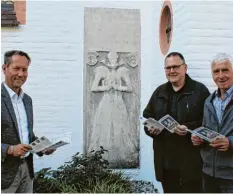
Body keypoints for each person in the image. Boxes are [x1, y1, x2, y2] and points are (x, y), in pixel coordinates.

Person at [143, 52, 210, 193]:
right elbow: (147, 117)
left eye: (175, 67)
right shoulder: (159, 92)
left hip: (192, 164)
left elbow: (209, 122)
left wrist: (190, 128)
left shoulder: (200, 91)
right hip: (165, 165)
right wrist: (150, 130)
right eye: (168, 68)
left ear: (185, 68)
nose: (171, 71)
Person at [1, 50, 55, 193]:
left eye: (24, 69)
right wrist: (10, 149)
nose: (21, 74)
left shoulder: (27, 100)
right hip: (3, 176)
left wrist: (42, 147)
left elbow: (26, 135)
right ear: (4, 68)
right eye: (16, 68)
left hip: (26, 170)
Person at [191, 53, 233, 193]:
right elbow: (207, 130)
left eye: (225, 70)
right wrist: (199, 138)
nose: (221, 76)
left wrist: (230, 142)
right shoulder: (209, 101)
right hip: (209, 173)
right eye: (216, 71)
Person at [88, 51, 137, 166]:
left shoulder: (122, 71)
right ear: (108, 59)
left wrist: (118, 87)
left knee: (120, 126)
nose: (113, 59)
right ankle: (102, 155)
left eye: (115, 58)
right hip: (106, 101)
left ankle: (120, 155)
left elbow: (130, 88)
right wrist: (106, 87)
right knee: (104, 126)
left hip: (118, 101)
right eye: (111, 58)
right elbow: (94, 88)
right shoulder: (102, 70)